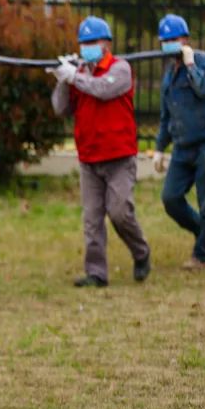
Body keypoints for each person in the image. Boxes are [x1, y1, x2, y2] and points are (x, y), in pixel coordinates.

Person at [50, 16, 150, 288]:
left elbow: (103, 90)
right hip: (89, 157)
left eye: (93, 42)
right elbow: (60, 108)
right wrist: (63, 79)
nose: (88, 47)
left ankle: (141, 252)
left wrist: (75, 77)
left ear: (106, 44)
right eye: (84, 43)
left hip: (119, 156)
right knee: (92, 219)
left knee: (120, 212)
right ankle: (96, 273)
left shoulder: (120, 69)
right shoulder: (80, 73)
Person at [153, 14, 205, 270]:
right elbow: (166, 116)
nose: (169, 43)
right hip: (183, 147)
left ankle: (201, 255)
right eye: (165, 40)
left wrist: (191, 64)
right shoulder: (168, 76)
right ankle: (204, 231)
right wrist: (160, 149)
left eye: (174, 39)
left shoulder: (203, 62)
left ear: (185, 39)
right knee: (170, 198)